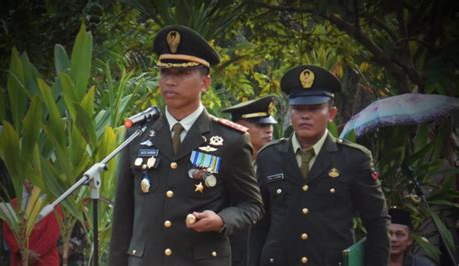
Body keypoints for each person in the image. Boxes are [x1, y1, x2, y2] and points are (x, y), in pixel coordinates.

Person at [108, 24, 264, 266]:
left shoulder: (229, 140)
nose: (170, 81)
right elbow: (123, 218)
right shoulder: (137, 135)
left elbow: (251, 205)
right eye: (165, 73)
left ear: (205, 83)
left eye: (181, 74)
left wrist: (222, 220)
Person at [248, 65, 390, 265]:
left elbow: (377, 223)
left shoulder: (353, 159)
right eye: (298, 109)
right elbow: (259, 224)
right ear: (290, 112)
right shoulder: (269, 157)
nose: (305, 116)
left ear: (331, 113)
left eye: (314, 108)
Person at [222, 95, 278, 266]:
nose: (268, 130)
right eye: (261, 125)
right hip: (230, 251)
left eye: (270, 125)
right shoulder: (221, 162)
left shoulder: (277, 164)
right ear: (239, 127)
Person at [2, 179, 62, 266]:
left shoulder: (52, 204)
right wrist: (22, 250)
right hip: (20, 259)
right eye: (27, 177)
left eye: (33, 176)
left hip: (45, 260)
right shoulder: (14, 204)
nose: (30, 181)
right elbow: (8, 231)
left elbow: (52, 234)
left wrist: (33, 254)